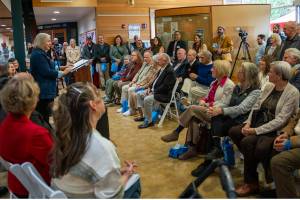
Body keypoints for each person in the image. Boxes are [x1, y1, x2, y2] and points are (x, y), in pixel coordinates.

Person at [51, 82, 141, 198]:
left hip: (64, 194)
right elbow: (114, 196)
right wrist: (127, 174)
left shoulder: (66, 134)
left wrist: (115, 172)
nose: (102, 97)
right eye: (98, 94)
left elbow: (86, 170)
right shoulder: (101, 146)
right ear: (93, 105)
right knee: (135, 180)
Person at [229, 61, 299, 197]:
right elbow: (256, 106)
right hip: (258, 123)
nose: (268, 73)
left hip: (274, 129)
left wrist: (255, 131)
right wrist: (248, 123)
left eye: (271, 71)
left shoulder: (292, 92)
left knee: (248, 143)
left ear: (279, 75)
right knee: (235, 131)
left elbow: (281, 120)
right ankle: (252, 176)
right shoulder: (268, 86)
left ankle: (252, 182)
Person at [161, 60, 235, 160]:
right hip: (208, 109)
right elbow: (207, 97)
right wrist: (203, 100)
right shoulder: (214, 83)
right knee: (193, 119)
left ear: (220, 70)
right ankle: (192, 149)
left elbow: (225, 103)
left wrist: (207, 104)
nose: (211, 70)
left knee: (191, 109)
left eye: (214, 68)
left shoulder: (229, 85)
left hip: (217, 113)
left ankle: (177, 132)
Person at [0, 75, 53, 198]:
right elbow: (56, 163)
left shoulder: (4, 125)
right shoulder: (36, 133)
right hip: (38, 186)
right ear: (32, 101)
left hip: (16, 182)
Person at [206, 62, 261, 159]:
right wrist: (217, 109)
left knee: (222, 121)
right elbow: (230, 103)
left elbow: (242, 109)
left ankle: (219, 148)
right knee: (215, 116)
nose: (237, 73)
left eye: (241, 72)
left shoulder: (255, 91)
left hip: (243, 119)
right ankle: (217, 148)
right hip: (232, 115)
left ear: (248, 75)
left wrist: (221, 110)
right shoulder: (238, 87)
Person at [30, 33, 72, 123]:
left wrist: (63, 67)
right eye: (48, 41)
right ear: (41, 42)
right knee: (43, 116)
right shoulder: (38, 55)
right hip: (43, 91)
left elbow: (48, 67)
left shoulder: (41, 53)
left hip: (46, 90)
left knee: (46, 116)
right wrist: (63, 73)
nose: (51, 43)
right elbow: (46, 72)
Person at [137, 53, 176, 129]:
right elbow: (155, 80)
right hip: (155, 91)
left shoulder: (170, 71)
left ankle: (149, 121)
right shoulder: (162, 68)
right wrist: (149, 88)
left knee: (147, 99)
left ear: (164, 61)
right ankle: (144, 116)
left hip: (163, 94)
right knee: (139, 94)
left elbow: (165, 87)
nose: (157, 61)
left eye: (159, 59)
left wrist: (153, 92)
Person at [271, 111, 300, 198]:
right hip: (295, 138)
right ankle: (281, 190)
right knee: (270, 146)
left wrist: (291, 142)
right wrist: (286, 133)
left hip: (296, 141)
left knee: (279, 162)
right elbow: (294, 120)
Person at [120, 51, 154, 116]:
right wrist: (133, 81)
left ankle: (132, 110)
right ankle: (124, 107)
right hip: (137, 82)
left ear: (151, 57)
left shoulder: (153, 67)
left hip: (143, 85)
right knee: (124, 87)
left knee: (130, 89)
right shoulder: (144, 64)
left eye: (147, 57)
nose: (145, 59)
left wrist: (140, 84)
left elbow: (148, 78)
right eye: (144, 57)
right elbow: (138, 73)